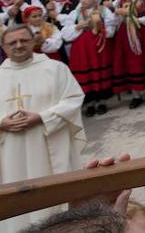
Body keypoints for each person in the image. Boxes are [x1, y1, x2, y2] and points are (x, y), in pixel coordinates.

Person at [0, 24, 85, 233]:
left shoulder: (55, 69)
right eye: (12, 42)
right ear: (3, 47)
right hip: (10, 155)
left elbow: (73, 99)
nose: (19, 45)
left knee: (55, 204)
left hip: (48, 145)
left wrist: (42, 117)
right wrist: (1, 122)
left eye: (24, 40)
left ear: (33, 41)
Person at [59, 0, 117, 117]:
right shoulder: (75, 13)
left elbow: (111, 30)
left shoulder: (103, 10)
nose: (83, 1)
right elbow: (65, 33)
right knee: (85, 74)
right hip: (81, 49)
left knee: (99, 72)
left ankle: (101, 101)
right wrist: (77, 27)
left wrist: (97, 27)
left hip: (98, 46)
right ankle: (89, 103)